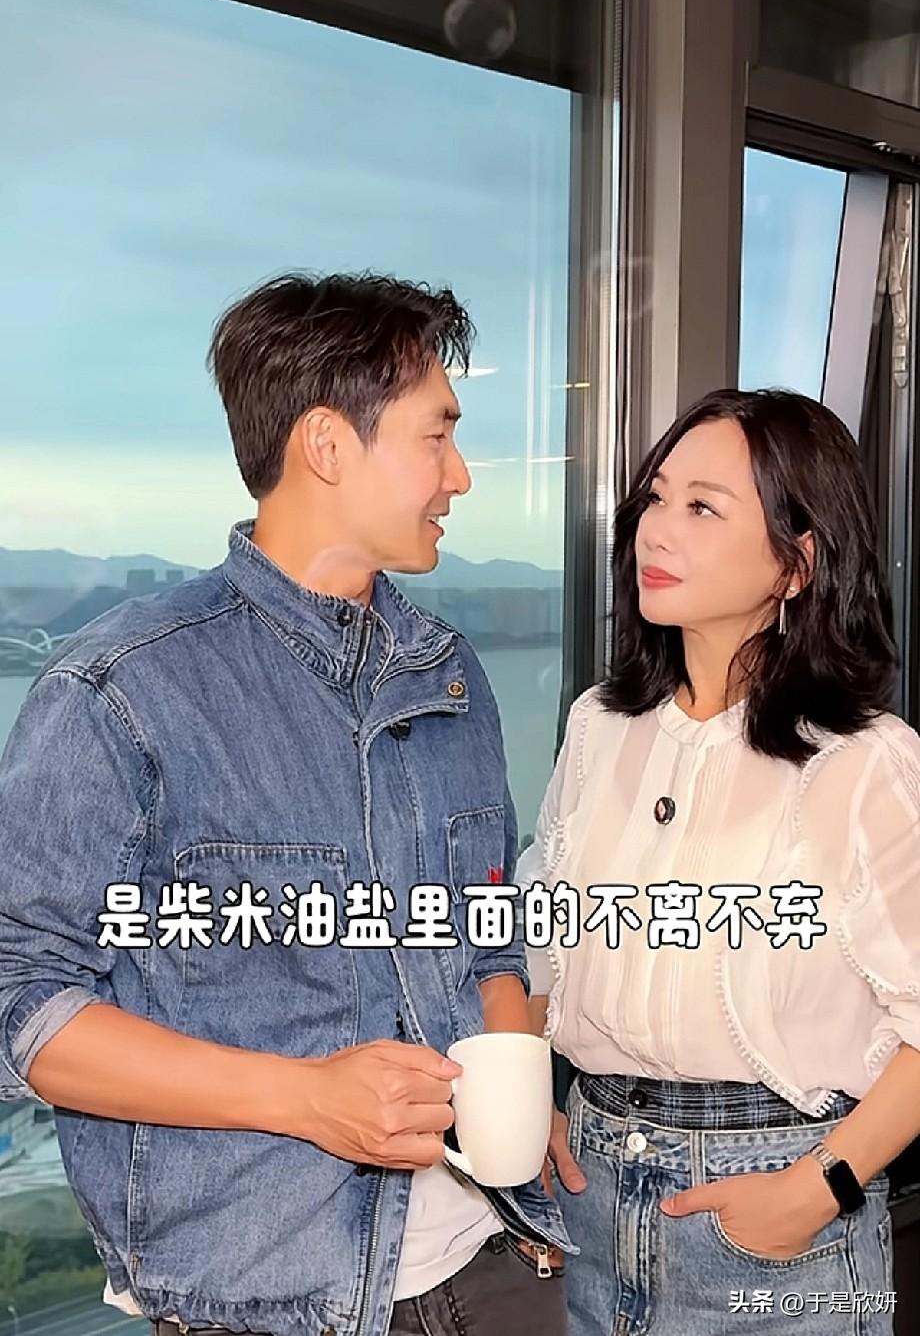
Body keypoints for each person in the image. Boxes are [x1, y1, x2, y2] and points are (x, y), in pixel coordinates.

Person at [0, 273, 572, 1336]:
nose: (459, 474)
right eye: (437, 434)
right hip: (263, 1298)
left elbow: (488, 933)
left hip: (496, 1256)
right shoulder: (120, 688)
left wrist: (518, 1093)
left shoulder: (449, 672)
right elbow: (21, 1003)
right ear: (326, 444)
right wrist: (304, 1096)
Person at [520, 389, 920, 1335]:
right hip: (593, 1191)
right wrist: (531, 1097)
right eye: (656, 499)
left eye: (703, 507)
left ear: (797, 563)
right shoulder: (599, 726)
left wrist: (818, 1188)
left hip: (776, 1213)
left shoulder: (863, 760)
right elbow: (545, 936)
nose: (657, 531)